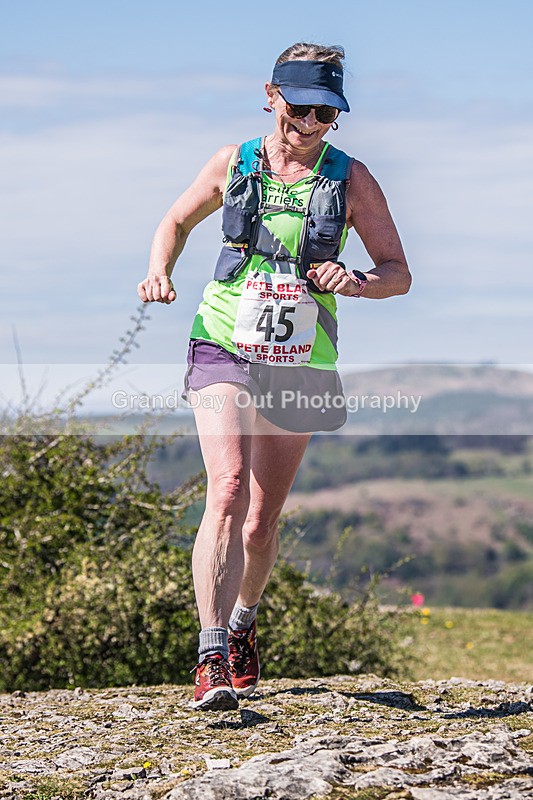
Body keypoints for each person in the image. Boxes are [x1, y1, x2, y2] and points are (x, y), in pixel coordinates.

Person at [138, 42, 411, 711]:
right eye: (301, 106)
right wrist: (159, 270)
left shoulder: (352, 179)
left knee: (261, 521)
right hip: (223, 339)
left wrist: (356, 282)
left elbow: (396, 272)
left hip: (300, 357)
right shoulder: (234, 162)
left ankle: (241, 625)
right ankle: (208, 657)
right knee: (226, 488)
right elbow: (174, 220)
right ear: (271, 95)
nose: (312, 121)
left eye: (327, 110)